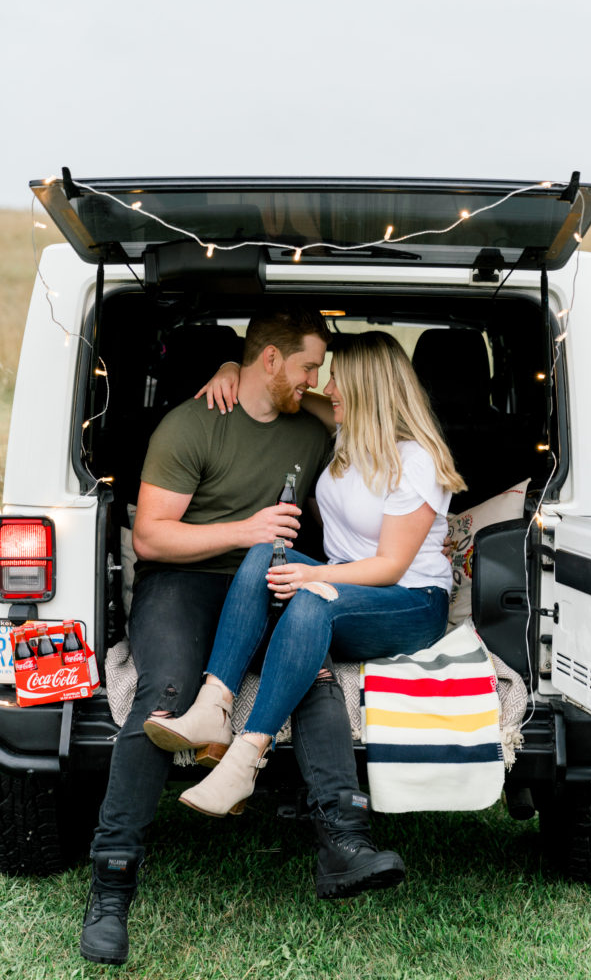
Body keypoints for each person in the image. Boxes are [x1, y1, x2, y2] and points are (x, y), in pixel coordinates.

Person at [80, 310, 405, 968]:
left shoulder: (309, 422)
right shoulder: (191, 424)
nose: (317, 382)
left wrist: (241, 367)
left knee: (308, 677)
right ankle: (111, 885)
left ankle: (342, 843)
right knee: (163, 696)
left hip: (268, 581)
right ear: (270, 362)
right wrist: (246, 531)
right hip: (184, 582)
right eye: (308, 366)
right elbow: (151, 537)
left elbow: (353, 404)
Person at [144, 331, 466, 822]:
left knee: (312, 596)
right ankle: (214, 706)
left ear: (365, 389)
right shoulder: (349, 433)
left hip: (410, 601)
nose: (328, 388)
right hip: (349, 584)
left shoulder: (415, 459)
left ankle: (244, 760)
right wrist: (233, 368)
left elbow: (392, 566)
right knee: (264, 551)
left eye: (337, 379)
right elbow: (275, 386)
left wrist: (314, 579)